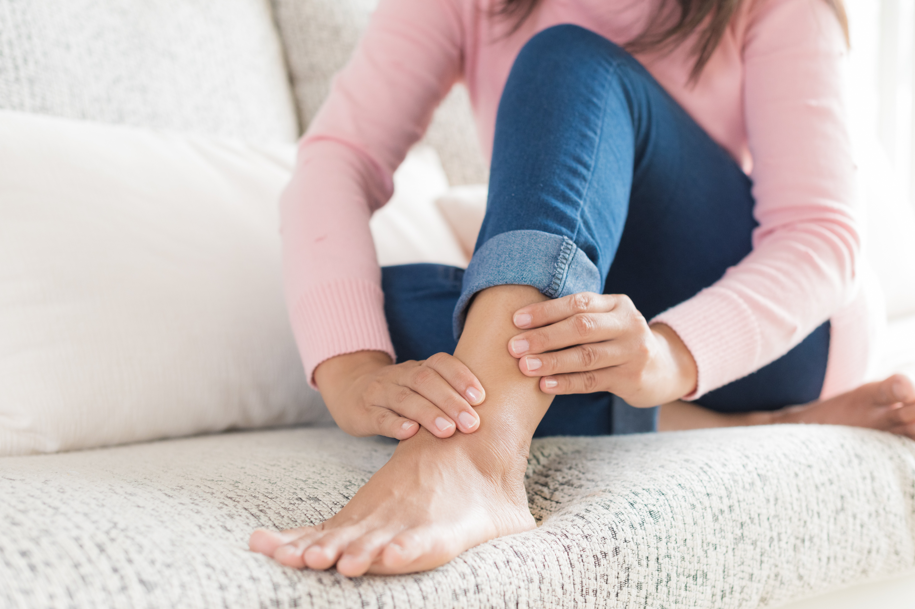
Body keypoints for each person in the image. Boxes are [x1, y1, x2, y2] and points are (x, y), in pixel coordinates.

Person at [249, 0, 915, 578]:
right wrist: (351, 374)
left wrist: (668, 355)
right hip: (585, 318)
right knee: (387, 318)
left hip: (780, 334)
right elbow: (337, 158)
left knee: (566, 62)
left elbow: (819, 237)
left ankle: (480, 457)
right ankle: (741, 425)